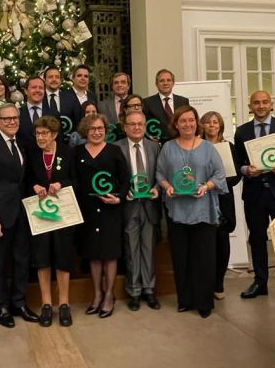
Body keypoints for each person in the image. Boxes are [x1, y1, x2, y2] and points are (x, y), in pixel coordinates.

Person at [156, 105, 227, 318]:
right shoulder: (167, 147)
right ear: (176, 124)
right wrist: (167, 186)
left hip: (202, 211)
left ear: (197, 123)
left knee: (204, 259)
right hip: (178, 211)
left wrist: (206, 187)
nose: (188, 124)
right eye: (183, 121)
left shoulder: (207, 148)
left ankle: (204, 302)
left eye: (191, 120)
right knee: (181, 258)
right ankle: (184, 300)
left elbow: (219, 175)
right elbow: (159, 173)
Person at [0, 103, 39, 328]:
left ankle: (19, 303)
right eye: (7, 119)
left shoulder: (23, 144)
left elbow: (24, 179)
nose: (12, 122)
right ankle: (2, 306)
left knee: (22, 260)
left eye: (15, 118)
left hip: (23, 213)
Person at [234, 90, 275, 299]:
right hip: (255, 194)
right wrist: (246, 171)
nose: (261, 106)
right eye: (256, 103)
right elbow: (238, 164)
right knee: (257, 238)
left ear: (271, 104)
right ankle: (260, 282)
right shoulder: (242, 131)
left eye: (264, 102)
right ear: (250, 106)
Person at [74, 114, 129, 318]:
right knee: (94, 255)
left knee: (109, 253)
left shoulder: (114, 151)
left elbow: (125, 180)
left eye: (100, 128)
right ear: (85, 132)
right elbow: (74, 179)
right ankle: (97, 295)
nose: (97, 132)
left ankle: (109, 295)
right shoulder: (77, 151)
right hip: (87, 210)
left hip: (110, 209)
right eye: (92, 129)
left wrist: (119, 199)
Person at [25, 116, 76, 327]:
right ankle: (46, 304)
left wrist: (61, 183)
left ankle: (64, 304)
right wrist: (34, 186)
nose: (40, 137)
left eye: (45, 133)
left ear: (54, 134)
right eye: (38, 133)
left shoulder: (67, 152)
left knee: (63, 258)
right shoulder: (31, 153)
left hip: (63, 214)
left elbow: (76, 179)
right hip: (40, 215)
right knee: (42, 258)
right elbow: (25, 178)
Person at [115, 111, 162, 311]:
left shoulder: (155, 147)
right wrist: (122, 192)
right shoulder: (116, 148)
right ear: (125, 127)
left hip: (150, 205)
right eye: (132, 124)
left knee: (148, 250)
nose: (136, 127)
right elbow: (113, 176)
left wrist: (157, 189)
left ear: (145, 125)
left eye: (139, 124)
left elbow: (161, 173)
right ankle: (134, 291)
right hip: (129, 206)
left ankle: (149, 290)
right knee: (131, 250)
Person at [200, 111, 241, 300]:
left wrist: (217, 182)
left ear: (220, 125)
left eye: (215, 122)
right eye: (207, 123)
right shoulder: (196, 146)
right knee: (205, 243)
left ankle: (219, 283)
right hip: (201, 199)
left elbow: (236, 176)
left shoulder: (229, 147)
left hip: (223, 199)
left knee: (222, 242)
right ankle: (205, 284)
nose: (211, 126)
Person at [142, 69, 189, 144]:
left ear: (173, 83)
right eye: (161, 81)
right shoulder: (147, 103)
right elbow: (144, 125)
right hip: (158, 146)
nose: (165, 83)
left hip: (181, 143)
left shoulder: (183, 101)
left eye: (168, 80)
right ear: (156, 84)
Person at [17, 76, 58, 150]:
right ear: (26, 91)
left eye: (41, 88)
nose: (37, 90)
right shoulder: (17, 113)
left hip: (47, 157)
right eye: (34, 87)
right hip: (24, 158)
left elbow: (58, 140)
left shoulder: (54, 113)